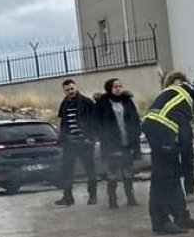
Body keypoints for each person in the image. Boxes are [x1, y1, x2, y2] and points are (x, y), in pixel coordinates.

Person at [142, 80, 194, 235]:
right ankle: (160, 221)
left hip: (157, 126)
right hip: (163, 128)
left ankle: (181, 216)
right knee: (163, 176)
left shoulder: (186, 91)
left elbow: (183, 123)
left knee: (174, 174)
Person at [93, 77, 141, 209]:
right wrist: (103, 136)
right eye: (115, 86)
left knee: (127, 170)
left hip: (127, 142)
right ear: (109, 88)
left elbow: (135, 119)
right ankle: (112, 200)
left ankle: (130, 198)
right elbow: (96, 123)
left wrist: (135, 133)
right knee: (112, 171)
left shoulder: (127, 101)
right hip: (111, 144)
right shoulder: (102, 102)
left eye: (120, 86)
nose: (118, 88)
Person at [55, 78, 98, 206]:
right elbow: (63, 124)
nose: (70, 91)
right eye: (67, 90)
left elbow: (94, 122)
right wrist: (63, 139)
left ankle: (93, 196)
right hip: (70, 143)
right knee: (67, 170)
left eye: (72, 89)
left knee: (90, 169)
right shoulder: (64, 104)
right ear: (64, 91)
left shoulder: (86, 102)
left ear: (76, 88)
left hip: (84, 142)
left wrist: (90, 138)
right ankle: (67, 197)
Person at [161, 71, 194, 199]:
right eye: (175, 86)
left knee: (188, 163)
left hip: (185, 132)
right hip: (171, 132)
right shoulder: (165, 98)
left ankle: (189, 190)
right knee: (173, 164)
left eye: (181, 86)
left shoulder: (188, 98)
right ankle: (176, 192)